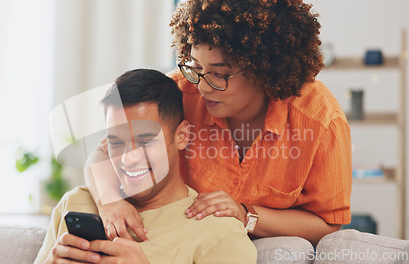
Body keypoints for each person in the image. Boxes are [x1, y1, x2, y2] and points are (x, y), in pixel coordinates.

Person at [86, 0, 352, 246]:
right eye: (196, 67)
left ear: (264, 69)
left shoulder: (320, 121)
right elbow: (104, 151)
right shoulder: (180, 94)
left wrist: (245, 214)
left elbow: (328, 225)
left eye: (219, 74)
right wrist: (110, 201)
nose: (202, 86)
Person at [34, 69, 257, 264]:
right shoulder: (76, 204)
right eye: (116, 142)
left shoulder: (219, 232)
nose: (128, 159)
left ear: (181, 136)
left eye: (145, 141)